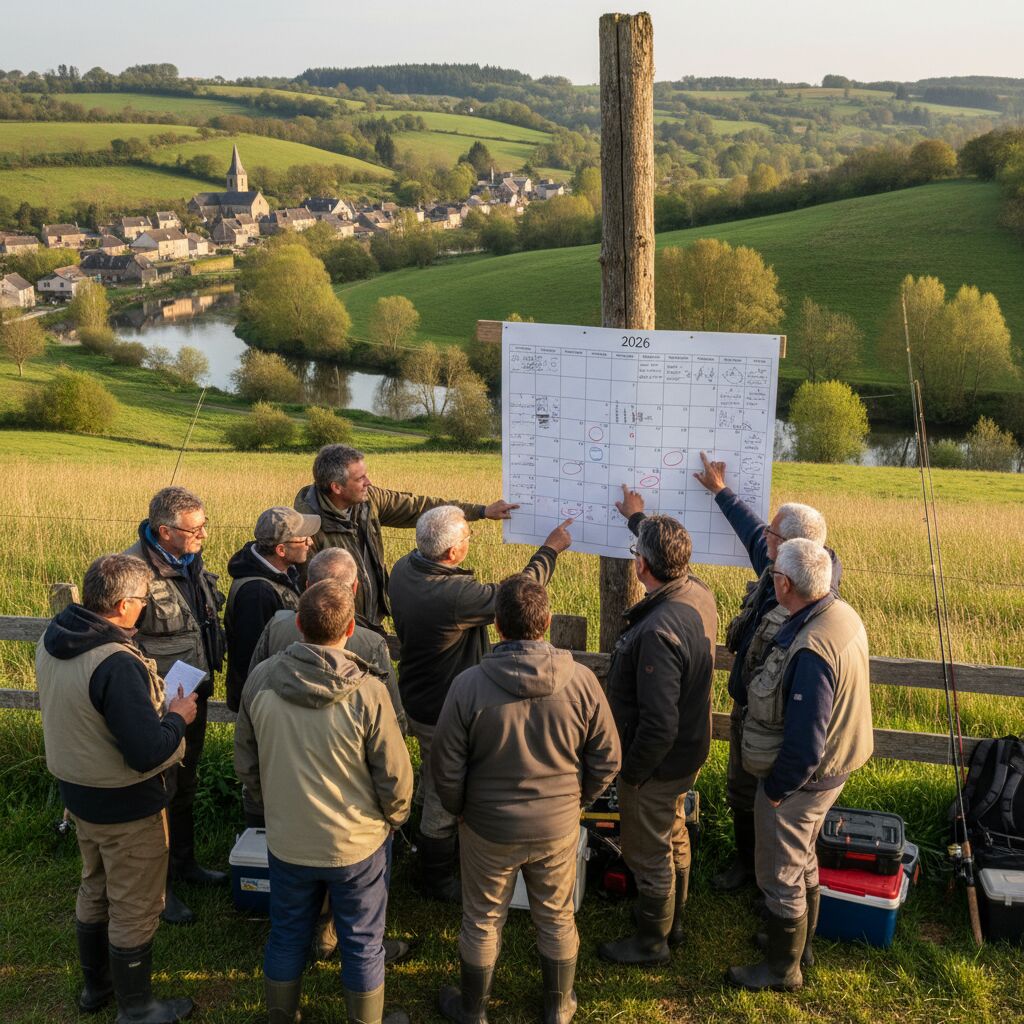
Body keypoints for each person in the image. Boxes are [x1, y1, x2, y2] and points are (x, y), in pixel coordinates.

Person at [431, 574, 621, 1024]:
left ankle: (472, 1009)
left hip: (487, 825)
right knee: (556, 917)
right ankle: (559, 1007)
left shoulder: (468, 685)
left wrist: (460, 809)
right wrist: (577, 800)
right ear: (548, 621)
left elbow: (445, 766)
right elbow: (608, 757)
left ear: (497, 625)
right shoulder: (581, 681)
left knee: (481, 918)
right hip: (556, 823)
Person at [234, 579, 413, 1024]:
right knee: (363, 940)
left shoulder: (261, 679)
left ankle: (281, 1015)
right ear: (351, 628)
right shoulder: (369, 692)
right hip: (357, 843)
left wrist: (269, 803)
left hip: (288, 838)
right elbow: (394, 774)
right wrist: (394, 817)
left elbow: (246, 760)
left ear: (297, 625)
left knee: (288, 933)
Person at [36, 554, 198, 1023]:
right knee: (135, 905)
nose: (145, 609)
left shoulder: (55, 638)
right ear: (125, 604)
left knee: (95, 885)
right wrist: (176, 717)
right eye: (144, 602)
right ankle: (138, 1008)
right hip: (126, 803)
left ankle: (96, 988)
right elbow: (146, 752)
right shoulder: (115, 662)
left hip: (79, 792)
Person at [388, 505, 574, 902]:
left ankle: (415, 845)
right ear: (453, 554)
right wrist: (550, 549)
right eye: (467, 539)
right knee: (442, 787)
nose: (470, 543)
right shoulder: (452, 595)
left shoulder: (405, 569)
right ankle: (435, 878)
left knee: (432, 773)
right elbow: (513, 597)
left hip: (418, 694)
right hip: (443, 706)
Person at [727, 538, 872, 992]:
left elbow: (806, 745)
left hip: (804, 779)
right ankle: (798, 944)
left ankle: (781, 970)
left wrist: (775, 791)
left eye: (773, 576)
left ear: (785, 584)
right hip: (837, 765)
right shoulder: (840, 614)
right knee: (804, 854)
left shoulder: (810, 649)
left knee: (781, 871)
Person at [691, 453, 840, 894]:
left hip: (774, 719)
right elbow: (754, 532)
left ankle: (772, 887)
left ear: (792, 553)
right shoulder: (786, 567)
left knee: (770, 804)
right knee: (741, 792)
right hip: (750, 708)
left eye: (774, 535)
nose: (766, 539)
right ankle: (747, 867)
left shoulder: (804, 591)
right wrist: (721, 491)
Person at [598, 494, 717, 966]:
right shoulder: (698, 592)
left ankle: (651, 942)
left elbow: (659, 723)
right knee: (673, 831)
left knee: (648, 854)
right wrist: (636, 519)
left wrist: (634, 774)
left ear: (642, 567)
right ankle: (676, 920)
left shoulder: (658, 632)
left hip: (658, 764)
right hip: (690, 751)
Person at [124, 486, 227, 926]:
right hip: (158, 703)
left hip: (193, 695)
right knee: (157, 793)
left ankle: (185, 864)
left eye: (205, 524)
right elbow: (121, 640)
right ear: (165, 531)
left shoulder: (190, 561)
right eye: (196, 528)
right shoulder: (132, 573)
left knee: (185, 784)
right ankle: (159, 888)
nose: (204, 534)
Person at [294, 444, 518, 627]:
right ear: (336, 487)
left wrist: (480, 511)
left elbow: (418, 507)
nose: (368, 482)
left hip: (373, 621)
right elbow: (312, 594)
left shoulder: (367, 501)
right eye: (360, 478)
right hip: (341, 627)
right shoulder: (307, 528)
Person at [224, 506, 319, 712]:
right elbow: (253, 658)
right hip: (265, 700)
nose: (310, 543)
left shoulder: (281, 572)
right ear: (281, 550)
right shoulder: (257, 593)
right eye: (303, 539)